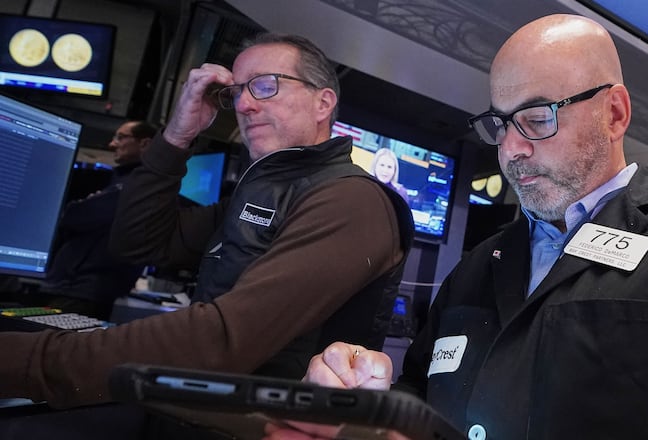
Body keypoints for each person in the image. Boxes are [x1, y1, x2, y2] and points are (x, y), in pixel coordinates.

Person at [266, 14, 648, 440]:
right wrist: (371, 405)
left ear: (614, 114)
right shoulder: (478, 267)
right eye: (500, 123)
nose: (511, 149)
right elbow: (420, 403)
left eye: (538, 118)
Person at [0, 32, 413, 411]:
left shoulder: (351, 200)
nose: (245, 105)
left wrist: (26, 360)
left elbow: (222, 340)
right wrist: (178, 136)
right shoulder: (258, 192)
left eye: (266, 85)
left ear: (323, 103)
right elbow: (138, 243)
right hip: (200, 414)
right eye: (236, 92)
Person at [39, 121, 156, 320]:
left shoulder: (137, 184)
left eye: (120, 137)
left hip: (80, 293)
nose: (112, 144)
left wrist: (75, 207)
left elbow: (73, 216)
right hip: (79, 291)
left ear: (145, 144)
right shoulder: (124, 181)